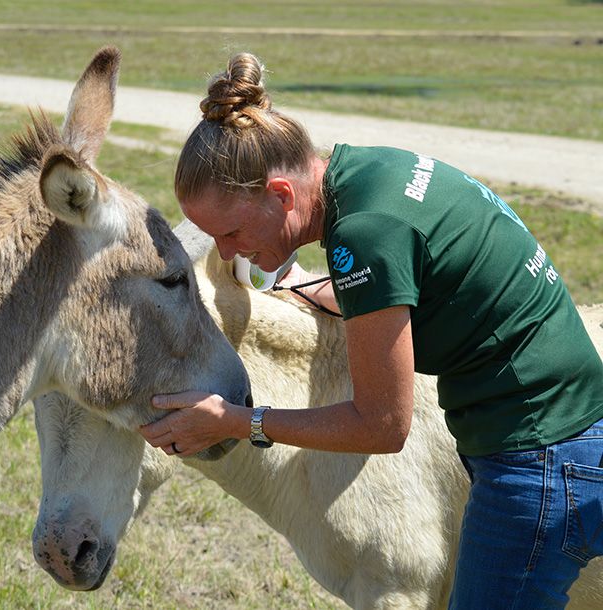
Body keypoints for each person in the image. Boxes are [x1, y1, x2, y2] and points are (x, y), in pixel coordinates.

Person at [138, 52, 603, 608]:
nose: (226, 252)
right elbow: (418, 274)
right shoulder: (365, 173)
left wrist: (237, 422)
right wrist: (321, 289)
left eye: (233, 231)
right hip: (571, 424)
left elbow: (383, 426)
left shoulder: (364, 232)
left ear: (282, 195)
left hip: (537, 455)